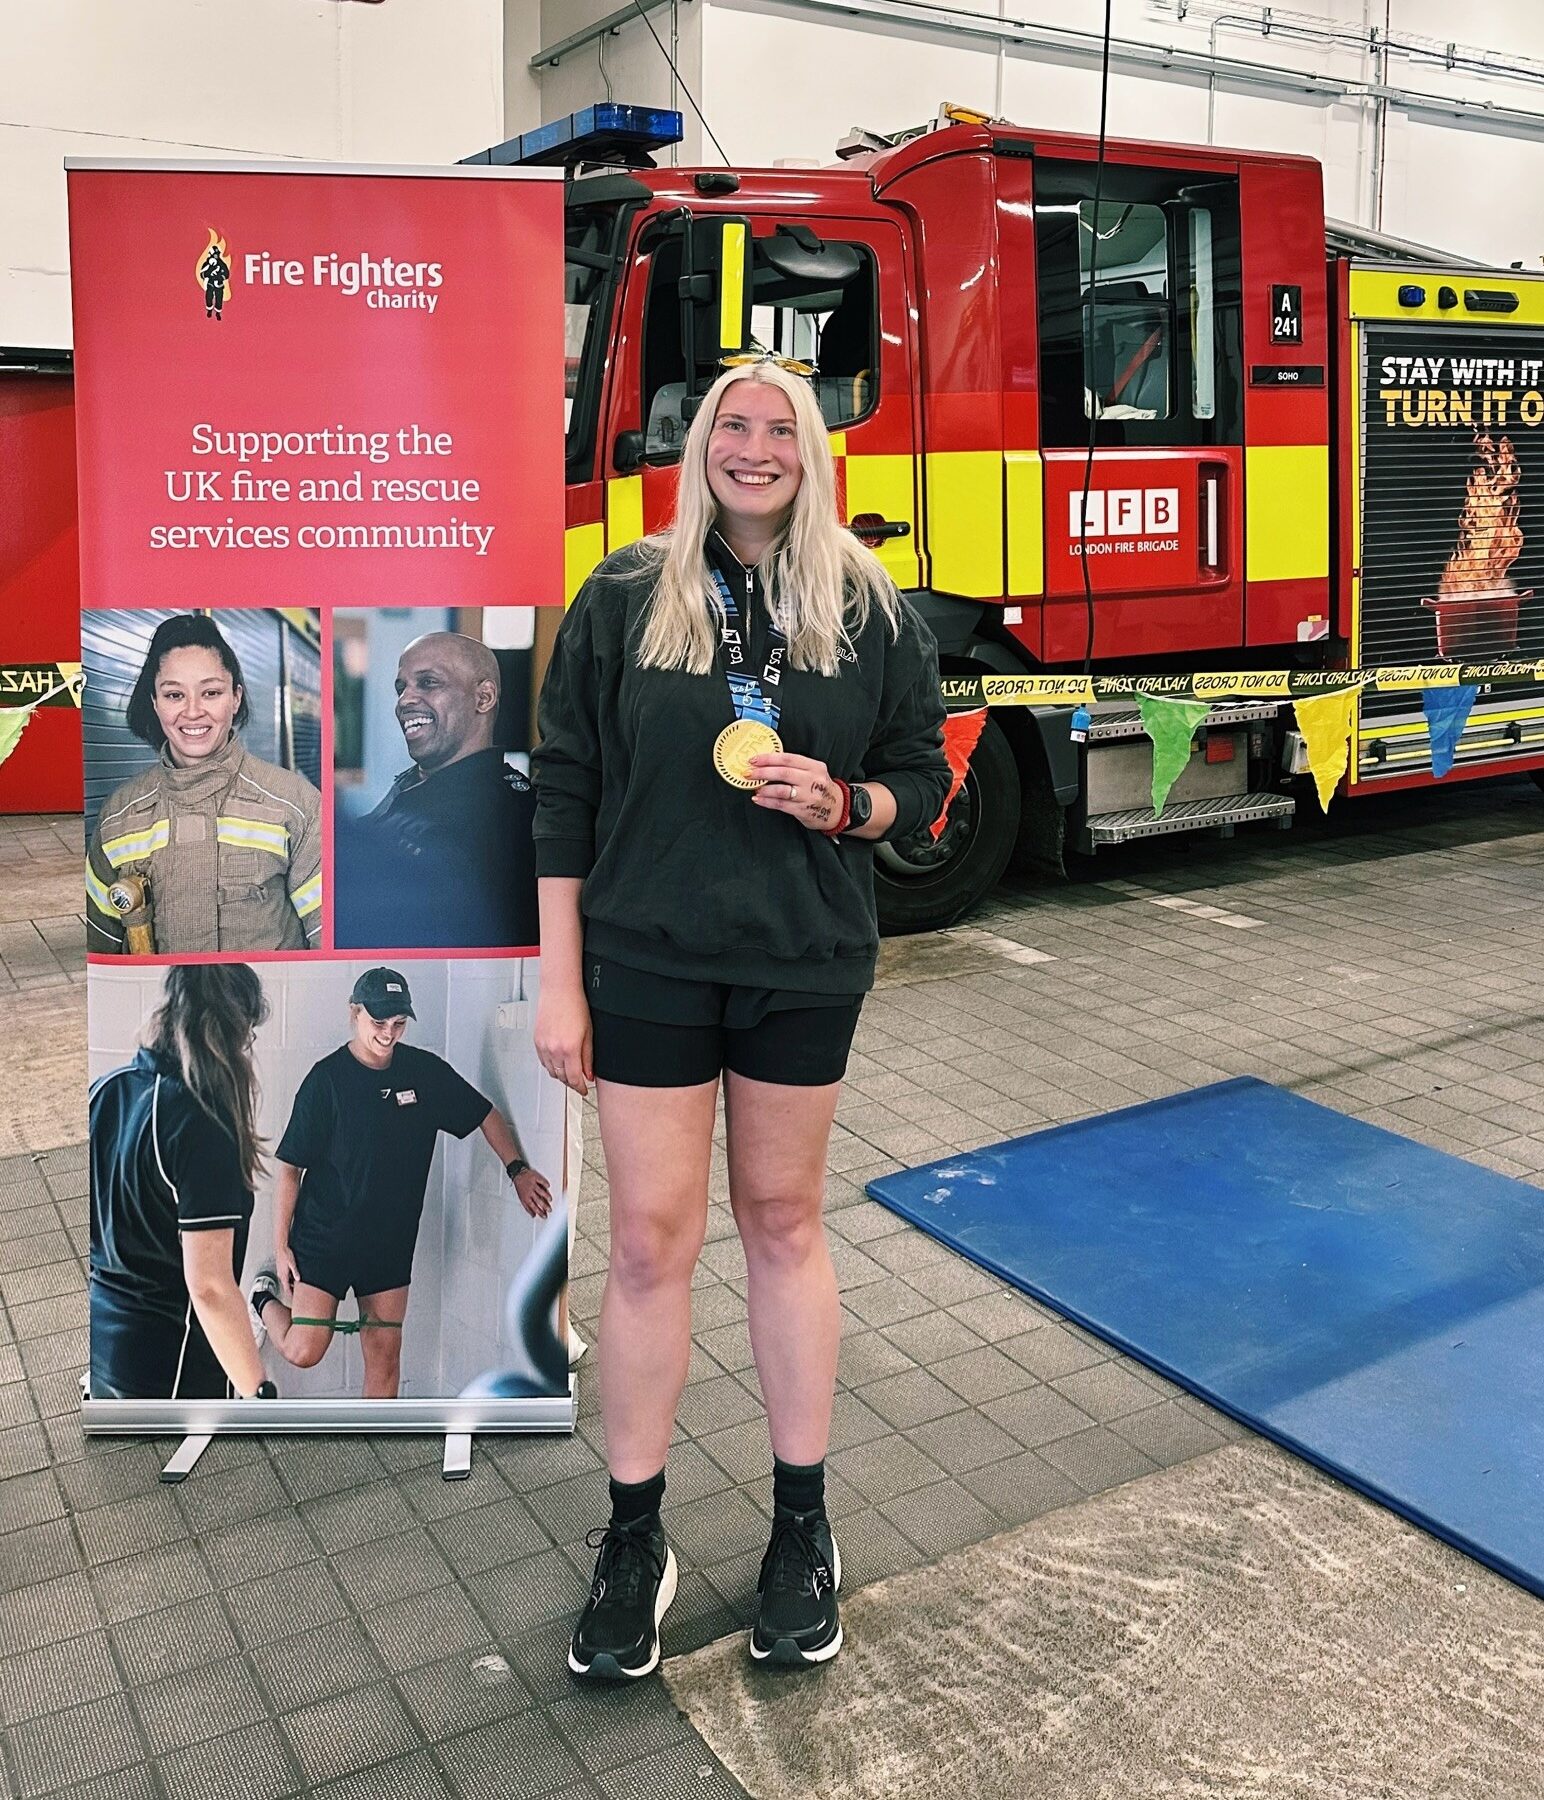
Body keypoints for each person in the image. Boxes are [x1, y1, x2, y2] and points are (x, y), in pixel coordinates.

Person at [533, 356, 951, 1679]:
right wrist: (559, 980)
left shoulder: (868, 604)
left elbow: (921, 778)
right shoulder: (621, 596)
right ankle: (633, 1535)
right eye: (732, 425)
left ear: (811, 452)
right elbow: (564, 793)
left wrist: (850, 807)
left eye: (779, 429)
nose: (754, 447)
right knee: (651, 1245)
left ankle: (800, 1525)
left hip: (803, 958)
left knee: (781, 1225)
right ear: (698, 445)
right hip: (647, 958)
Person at [249, 967, 553, 1399]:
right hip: (324, 1239)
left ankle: (378, 1453)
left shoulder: (424, 1073)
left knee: (385, 1359)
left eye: (398, 1024)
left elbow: (485, 1113)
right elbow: (290, 1168)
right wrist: (281, 1248)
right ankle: (262, 1298)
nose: (389, 1034)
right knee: (304, 1349)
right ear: (354, 1013)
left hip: (389, 1243)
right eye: (378, 1023)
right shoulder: (326, 1080)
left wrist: (517, 1170)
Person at [86, 613, 322, 955]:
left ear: (236, 697)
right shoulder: (118, 818)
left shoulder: (295, 805)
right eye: (174, 695)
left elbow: (327, 943)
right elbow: (101, 952)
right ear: (154, 702)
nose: (193, 711)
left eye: (210, 692)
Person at [89, 965, 274, 1401]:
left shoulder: (105, 1090)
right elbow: (209, 1287)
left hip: (102, 1348)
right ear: (232, 1032)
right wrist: (260, 1394)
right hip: (169, 1368)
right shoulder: (201, 1122)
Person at [334, 631, 539, 949]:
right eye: (401, 688)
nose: (405, 701)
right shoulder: (412, 784)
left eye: (428, 683)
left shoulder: (512, 816)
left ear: (483, 698)